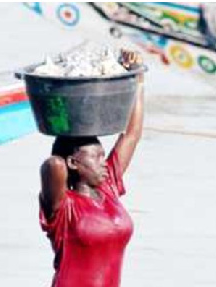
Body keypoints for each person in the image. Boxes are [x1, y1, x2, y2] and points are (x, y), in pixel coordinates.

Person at [39, 50, 144, 287]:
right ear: (73, 163)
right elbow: (53, 165)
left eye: (103, 155)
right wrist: (71, 123)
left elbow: (131, 134)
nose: (103, 162)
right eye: (96, 157)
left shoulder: (109, 186)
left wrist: (137, 79)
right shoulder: (63, 207)